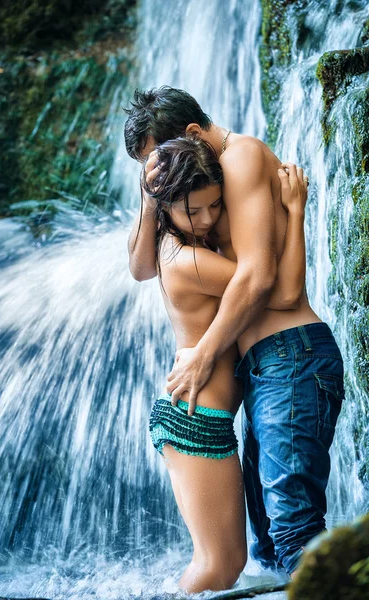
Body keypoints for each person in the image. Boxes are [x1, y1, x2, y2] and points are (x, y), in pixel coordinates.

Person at [123, 86, 345, 577]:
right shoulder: (193, 198)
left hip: (290, 353)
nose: (157, 178)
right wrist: (146, 198)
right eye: (150, 173)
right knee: (268, 546)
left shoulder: (240, 158)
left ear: (193, 135)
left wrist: (205, 352)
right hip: (264, 366)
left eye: (157, 165)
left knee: (290, 535)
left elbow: (267, 282)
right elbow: (141, 269)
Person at [142, 135, 308, 593]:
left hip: (201, 415)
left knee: (229, 561)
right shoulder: (187, 261)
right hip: (197, 420)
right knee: (218, 565)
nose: (209, 219)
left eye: (215, 206)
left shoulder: (179, 246)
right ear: (165, 207)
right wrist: (294, 214)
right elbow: (279, 291)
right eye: (192, 212)